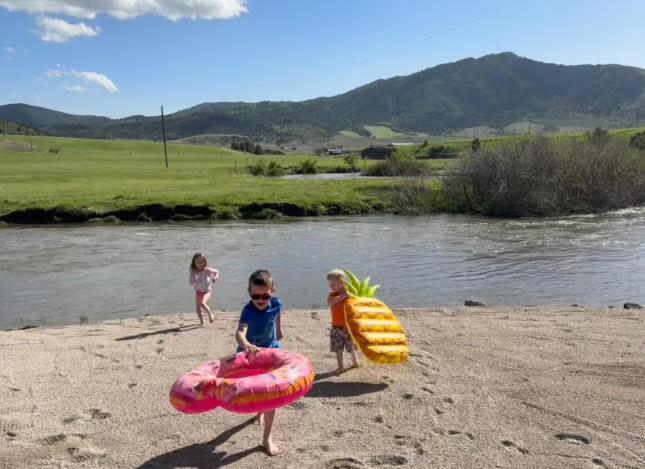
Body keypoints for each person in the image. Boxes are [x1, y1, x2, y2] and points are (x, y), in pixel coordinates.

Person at [235, 269, 284, 456]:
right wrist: (246, 344)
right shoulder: (248, 310)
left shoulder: (277, 304)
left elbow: (277, 315)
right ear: (249, 293)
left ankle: (267, 438)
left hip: (271, 351)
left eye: (265, 295)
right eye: (256, 296)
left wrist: (279, 332)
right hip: (252, 355)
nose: (261, 300)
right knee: (259, 391)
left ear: (272, 291)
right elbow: (240, 333)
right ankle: (259, 412)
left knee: (272, 395)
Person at [327, 269, 360, 373]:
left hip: (348, 326)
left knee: (351, 347)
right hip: (336, 326)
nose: (331, 286)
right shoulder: (332, 295)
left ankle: (355, 362)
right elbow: (330, 302)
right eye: (330, 284)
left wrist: (347, 295)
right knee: (338, 348)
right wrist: (342, 296)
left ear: (342, 282)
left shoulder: (350, 294)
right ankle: (341, 366)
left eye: (334, 284)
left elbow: (356, 308)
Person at [188, 252, 219, 325]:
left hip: (207, 291)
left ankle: (210, 315)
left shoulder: (207, 270)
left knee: (202, 303)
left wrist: (215, 278)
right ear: (194, 262)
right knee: (198, 307)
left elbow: (216, 271)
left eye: (202, 262)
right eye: (197, 262)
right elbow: (190, 284)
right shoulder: (193, 271)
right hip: (198, 292)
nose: (200, 264)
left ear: (204, 262)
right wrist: (194, 280)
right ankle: (201, 322)